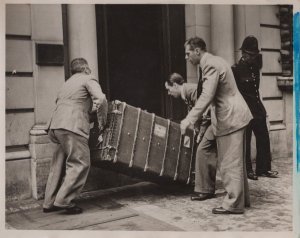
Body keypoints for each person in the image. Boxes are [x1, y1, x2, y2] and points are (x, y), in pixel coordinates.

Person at [180, 37, 253, 214]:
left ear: (197, 51)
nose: (186, 57)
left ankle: (233, 204)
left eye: (188, 53)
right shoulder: (213, 61)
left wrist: (188, 119)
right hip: (233, 116)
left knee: (229, 163)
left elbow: (207, 95)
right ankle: (241, 200)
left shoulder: (210, 65)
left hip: (230, 117)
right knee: (236, 162)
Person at [42, 58, 107, 215]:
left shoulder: (67, 83)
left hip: (56, 125)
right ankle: (64, 201)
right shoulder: (88, 78)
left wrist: (88, 114)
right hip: (72, 126)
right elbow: (101, 99)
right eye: (89, 68)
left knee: (58, 163)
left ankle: (48, 203)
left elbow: (71, 103)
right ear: (85, 69)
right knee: (80, 162)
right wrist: (102, 121)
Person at [165, 73, 218, 201]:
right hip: (211, 122)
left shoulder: (191, 90)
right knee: (203, 151)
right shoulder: (187, 92)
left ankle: (206, 190)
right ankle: (205, 186)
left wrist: (201, 132)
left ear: (176, 85)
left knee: (202, 151)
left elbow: (205, 112)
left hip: (214, 122)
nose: (168, 93)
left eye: (169, 89)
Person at [232, 35, 278, 179]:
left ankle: (263, 169)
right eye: (251, 55)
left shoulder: (255, 68)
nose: (254, 57)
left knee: (263, 137)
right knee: (245, 140)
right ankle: (248, 170)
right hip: (245, 110)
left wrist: (263, 111)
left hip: (257, 108)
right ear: (243, 53)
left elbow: (257, 90)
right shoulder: (236, 69)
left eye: (255, 55)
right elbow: (235, 93)